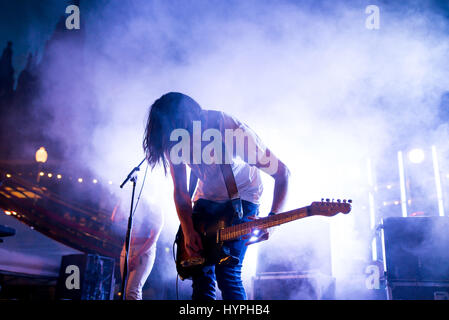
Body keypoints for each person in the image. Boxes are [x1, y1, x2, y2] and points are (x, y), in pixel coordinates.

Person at [143, 92, 289, 300]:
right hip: (206, 198)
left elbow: (283, 174)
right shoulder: (174, 138)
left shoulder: (232, 131)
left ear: (186, 120)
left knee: (227, 273)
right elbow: (181, 193)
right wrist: (188, 229)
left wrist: (273, 221)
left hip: (242, 198)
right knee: (200, 274)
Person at [119, 203, 163, 300]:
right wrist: (120, 200)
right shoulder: (135, 205)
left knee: (132, 291)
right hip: (127, 248)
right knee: (125, 289)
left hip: (143, 251)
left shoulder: (156, 210)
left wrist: (138, 256)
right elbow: (115, 218)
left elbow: (153, 238)